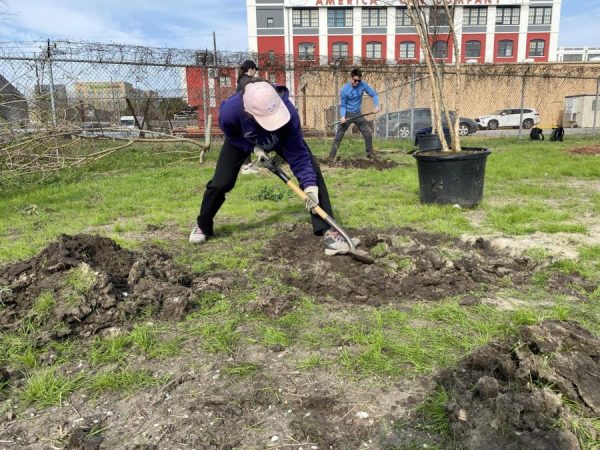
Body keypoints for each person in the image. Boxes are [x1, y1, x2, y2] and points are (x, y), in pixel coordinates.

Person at [189, 80, 358, 255]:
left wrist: (310, 187)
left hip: (281, 139)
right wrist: (252, 148)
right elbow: (230, 133)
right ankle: (203, 225)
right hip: (244, 141)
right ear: (249, 113)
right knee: (220, 183)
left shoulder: (289, 113)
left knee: (312, 175)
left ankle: (328, 231)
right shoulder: (230, 111)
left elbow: (299, 155)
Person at [329, 68, 381, 162]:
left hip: (358, 113)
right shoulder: (345, 89)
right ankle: (331, 157)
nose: (357, 83)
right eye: (355, 80)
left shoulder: (363, 85)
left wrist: (377, 106)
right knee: (339, 136)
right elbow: (343, 105)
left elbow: (374, 94)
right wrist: (343, 117)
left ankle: (370, 154)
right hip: (347, 114)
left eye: (359, 80)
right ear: (351, 78)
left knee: (367, 133)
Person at [237, 60, 260, 174]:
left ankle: (248, 164)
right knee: (246, 139)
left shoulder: (245, 80)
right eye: (255, 70)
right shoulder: (245, 80)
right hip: (242, 115)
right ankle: (245, 167)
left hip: (245, 114)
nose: (255, 73)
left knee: (248, 138)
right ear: (250, 69)